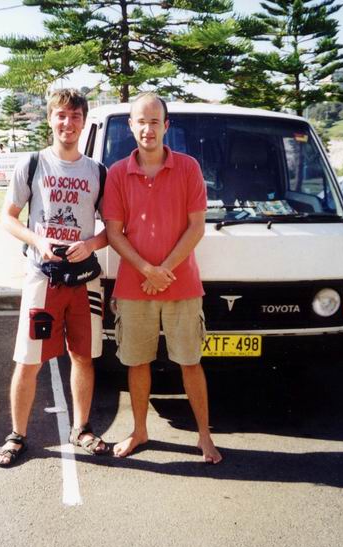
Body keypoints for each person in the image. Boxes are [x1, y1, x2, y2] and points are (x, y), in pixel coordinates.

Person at [103, 92, 222, 464]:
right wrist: (147, 271)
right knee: (137, 363)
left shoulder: (188, 168)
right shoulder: (118, 173)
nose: (148, 128)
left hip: (182, 285)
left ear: (166, 126)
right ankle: (139, 431)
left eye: (155, 121)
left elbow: (196, 227)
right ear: (131, 127)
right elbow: (114, 231)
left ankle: (205, 437)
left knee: (190, 361)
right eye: (141, 120)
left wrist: (163, 270)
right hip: (134, 287)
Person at [0, 88, 109, 467]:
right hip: (42, 277)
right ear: (50, 119)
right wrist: (37, 240)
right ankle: (17, 436)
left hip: (84, 279)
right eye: (61, 115)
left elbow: (113, 228)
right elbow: (8, 216)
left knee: (83, 356)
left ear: (84, 121)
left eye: (75, 116)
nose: (68, 123)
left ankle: (83, 428)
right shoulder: (33, 164)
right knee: (28, 360)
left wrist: (91, 243)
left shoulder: (97, 171)